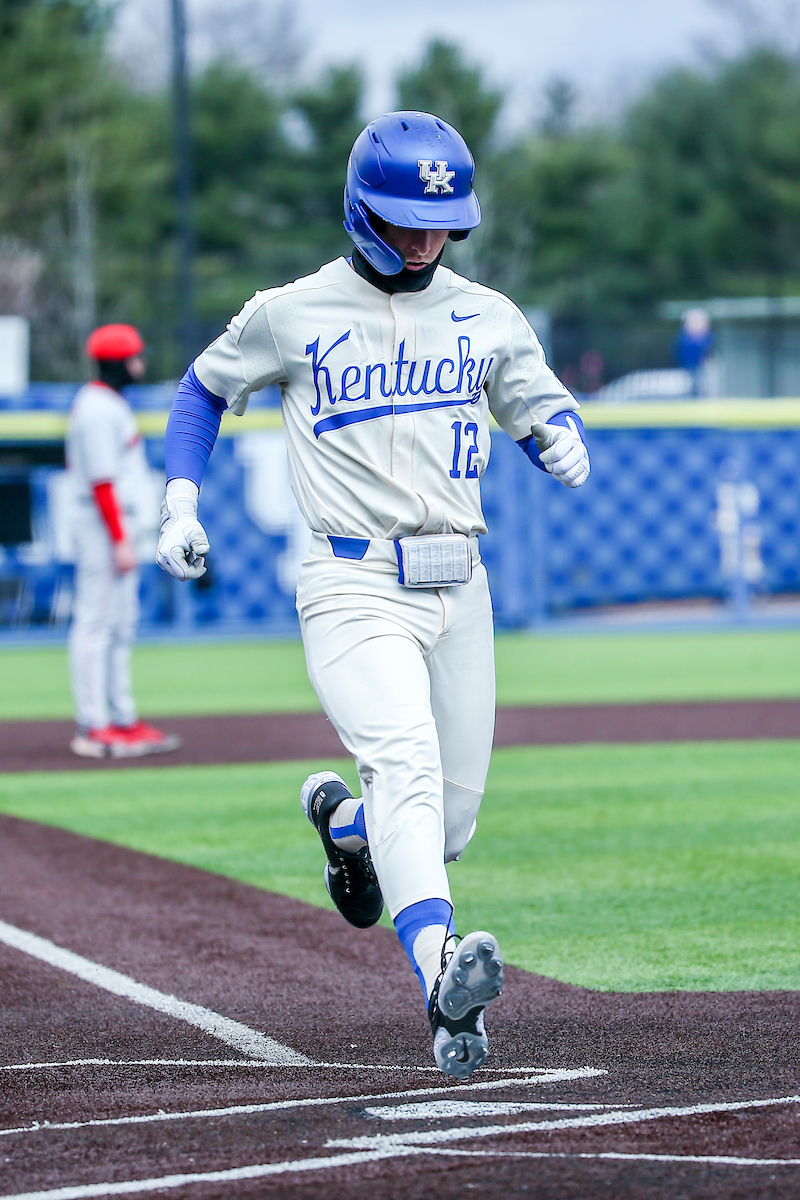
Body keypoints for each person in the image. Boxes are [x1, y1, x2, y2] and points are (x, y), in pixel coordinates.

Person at [156, 111, 590, 1078]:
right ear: (360, 211)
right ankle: (445, 985)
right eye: (405, 221)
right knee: (405, 764)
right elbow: (202, 389)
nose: (426, 241)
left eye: (441, 223)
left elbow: (535, 397)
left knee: (451, 820)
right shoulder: (292, 310)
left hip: (458, 585)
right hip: (350, 581)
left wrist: (559, 430)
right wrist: (180, 499)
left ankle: (345, 832)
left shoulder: (489, 313)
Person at [67, 324, 181, 759]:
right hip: (101, 527)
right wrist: (118, 539)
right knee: (95, 624)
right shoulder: (96, 407)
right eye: (135, 355)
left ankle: (122, 718)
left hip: (117, 526)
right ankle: (94, 725)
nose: (141, 362)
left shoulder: (108, 404)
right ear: (119, 362)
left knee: (120, 623)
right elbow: (102, 483)